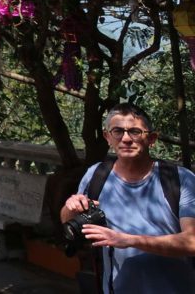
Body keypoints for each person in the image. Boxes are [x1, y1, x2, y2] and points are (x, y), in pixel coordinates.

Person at [60, 103, 195, 293]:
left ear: (151, 139)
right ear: (107, 137)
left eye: (135, 132)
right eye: (117, 131)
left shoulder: (179, 179)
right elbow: (70, 225)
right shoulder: (96, 175)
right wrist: (70, 208)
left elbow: (192, 241)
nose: (126, 139)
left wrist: (128, 240)